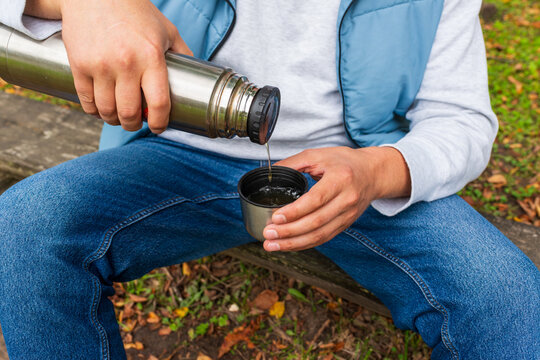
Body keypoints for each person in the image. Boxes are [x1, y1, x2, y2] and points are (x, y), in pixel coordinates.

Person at [0, 0, 538, 359]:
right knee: (25, 228)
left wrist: (377, 171)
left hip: (356, 169)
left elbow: (463, 120)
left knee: (506, 298)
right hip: (177, 150)